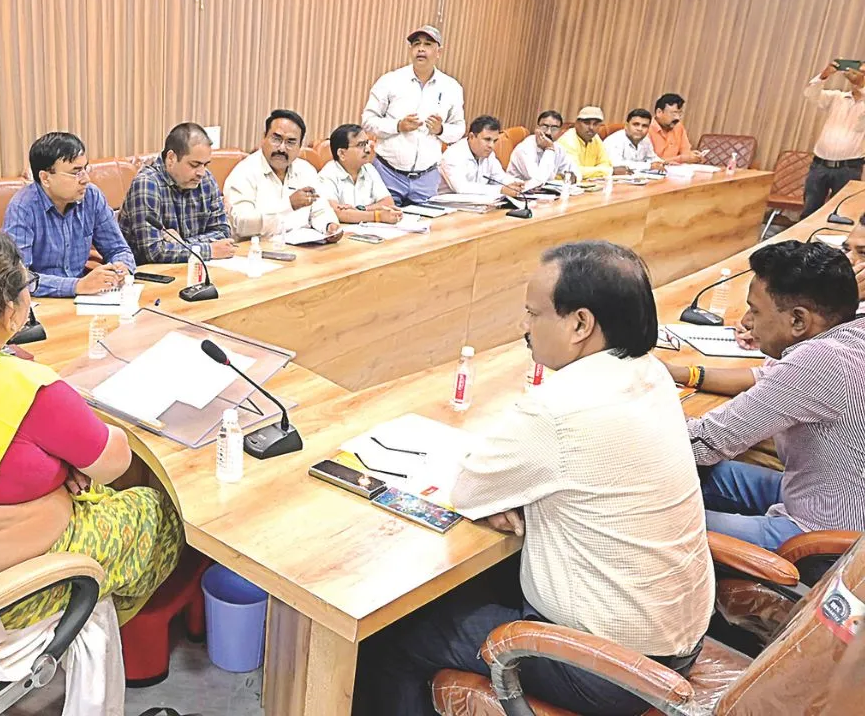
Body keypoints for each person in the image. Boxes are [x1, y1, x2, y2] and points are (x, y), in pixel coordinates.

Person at [355, 241, 713, 716]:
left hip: (608, 669)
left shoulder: (561, 408)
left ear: (580, 324)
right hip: (676, 640)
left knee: (392, 636)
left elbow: (467, 488)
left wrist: (510, 493)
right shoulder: (649, 373)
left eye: (533, 313)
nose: (524, 328)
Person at [0, 228, 181, 627]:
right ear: (8, 309)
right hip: (2, 592)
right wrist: (72, 453)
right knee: (153, 511)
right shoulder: (24, 385)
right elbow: (113, 462)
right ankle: (126, 630)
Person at [667, 241, 865, 549]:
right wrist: (682, 375)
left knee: (655, 519)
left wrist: (637, 412)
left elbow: (704, 444)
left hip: (822, 537)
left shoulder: (818, 362)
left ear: (798, 320)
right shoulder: (852, 335)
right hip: (814, 496)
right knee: (700, 475)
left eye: (755, 310)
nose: (746, 322)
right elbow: (769, 378)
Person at [3, 132, 137, 297]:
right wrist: (76, 286)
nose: (85, 179)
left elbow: (118, 249)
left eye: (85, 169)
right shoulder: (22, 208)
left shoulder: (92, 197)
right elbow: (19, 278)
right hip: (44, 304)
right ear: (45, 178)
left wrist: (121, 268)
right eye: (76, 172)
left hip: (87, 300)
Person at [362, 25, 466, 205]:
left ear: (438, 52)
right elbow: (368, 121)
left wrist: (441, 130)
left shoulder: (451, 87)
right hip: (388, 174)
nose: (421, 49)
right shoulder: (390, 81)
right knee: (387, 229)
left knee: (424, 230)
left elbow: (459, 128)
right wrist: (397, 126)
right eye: (416, 44)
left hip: (426, 178)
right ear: (410, 50)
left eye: (427, 44)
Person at [120, 122, 235, 264]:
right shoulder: (147, 184)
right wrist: (208, 250)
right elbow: (154, 252)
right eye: (194, 165)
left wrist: (181, 243)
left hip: (193, 269)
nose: (201, 172)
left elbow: (223, 232)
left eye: (205, 164)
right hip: (150, 277)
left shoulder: (205, 180)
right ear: (171, 158)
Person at [223, 109, 340, 240]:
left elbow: (320, 210)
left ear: (300, 146)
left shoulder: (306, 170)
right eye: (276, 139)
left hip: (301, 250)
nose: (281, 148)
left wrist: (329, 226)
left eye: (290, 142)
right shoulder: (244, 172)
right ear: (264, 138)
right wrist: (289, 205)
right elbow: (241, 224)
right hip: (255, 251)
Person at [800, 61, 865, 219]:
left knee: (841, 214)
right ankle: (803, 243)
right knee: (810, 211)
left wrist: (861, 86)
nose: (858, 75)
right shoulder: (837, 97)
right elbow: (810, 94)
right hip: (819, 165)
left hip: (848, 168)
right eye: (859, 71)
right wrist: (825, 74)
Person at [317, 123, 403, 224]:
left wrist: (360, 209)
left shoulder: (369, 169)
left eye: (367, 143)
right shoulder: (327, 174)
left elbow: (388, 203)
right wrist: (377, 215)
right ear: (342, 153)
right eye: (361, 145)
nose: (368, 149)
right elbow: (336, 213)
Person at [435, 115, 523, 197]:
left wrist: (517, 184)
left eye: (494, 141)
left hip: (476, 205)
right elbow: (462, 188)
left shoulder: (488, 153)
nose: (491, 145)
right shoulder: (453, 155)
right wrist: (501, 190)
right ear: (472, 136)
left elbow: (500, 177)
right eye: (487, 139)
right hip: (449, 206)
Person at [507, 109, 578, 184]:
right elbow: (538, 179)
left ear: (560, 131)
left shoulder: (558, 148)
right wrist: (549, 149)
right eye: (544, 127)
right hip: (518, 191)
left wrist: (571, 177)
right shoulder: (525, 148)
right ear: (537, 128)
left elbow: (574, 172)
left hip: (542, 192)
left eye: (554, 128)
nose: (548, 132)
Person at [556, 106, 624, 179]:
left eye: (595, 124)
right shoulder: (568, 140)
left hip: (588, 184)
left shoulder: (595, 138)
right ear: (577, 124)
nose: (591, 128)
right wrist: (609, 171)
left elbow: (606, 164)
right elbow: (574, 171)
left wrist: (605, 170)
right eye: (586, 123)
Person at [649, 93, 703, 165]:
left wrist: (693, 156)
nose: (677, 118)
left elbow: (685, 152)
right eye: (673, 113)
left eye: (680, 114)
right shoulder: (646, 129)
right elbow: (649, 162)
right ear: (659, 112)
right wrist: (681, 159)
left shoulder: (678, 127)